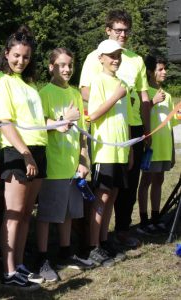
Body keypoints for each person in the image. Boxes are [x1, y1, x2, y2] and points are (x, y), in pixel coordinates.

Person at [79, 9, 150, 248]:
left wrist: (146, 131)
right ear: (108, 30)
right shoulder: (94, 57)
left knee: (125, 185)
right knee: (103, 190)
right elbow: (86, 91)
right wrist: (113, 97)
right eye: (117, 30)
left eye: (126, 30)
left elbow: (144, 97)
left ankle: (119, 231)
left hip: (131, 128)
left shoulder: (136, 59)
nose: (122, 34)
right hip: (105, 133)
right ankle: (94, 240)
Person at [0, 25, 46, 290]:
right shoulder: (1, 82)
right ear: (6, 53)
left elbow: (34, 120)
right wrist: (25, 154)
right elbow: (5, 123)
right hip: (17, 152)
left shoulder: (28, 83)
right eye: (16, 55)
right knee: (12, 214)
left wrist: (58, 123)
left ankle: (19, 265)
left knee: (25, 215)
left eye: (25, 56)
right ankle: (9, 272)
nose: (21, 61)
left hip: (37, 150)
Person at [36, 48, 94, 282]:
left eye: (70, 64)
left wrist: (83, 158)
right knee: (48, 214)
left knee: (69, 212)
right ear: (51, 67)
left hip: (72, 167)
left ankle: (65, 252)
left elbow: (81, 132)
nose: (67, 69)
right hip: (53, 165)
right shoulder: (44, 93)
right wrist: (62, 120)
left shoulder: (75, 93)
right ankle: (41, 259)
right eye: (61, 65)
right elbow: (39, 124)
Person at [86, 39, 132, 267]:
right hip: (105, 151)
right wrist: (115, 97)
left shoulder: (122, 82)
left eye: (118, 55)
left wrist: (130, 149)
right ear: (100, 58)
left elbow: (124, 120)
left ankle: (104, 241)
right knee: (101, 199)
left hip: (120, 151)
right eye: (111, 55)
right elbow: (92, 115)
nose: (116, 59)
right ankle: (93, 245)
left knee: (112, 196)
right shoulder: (98, 81)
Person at [137, 55, 175, 235]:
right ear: (151, 72)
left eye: (164, 68)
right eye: (160, 69)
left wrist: (173, 151)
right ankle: (143, 220)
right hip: (150, 147)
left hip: (164, 147)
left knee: (159, 180)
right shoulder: (144, 93)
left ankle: (155, 217)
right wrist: (152, 102)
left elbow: (170, 124)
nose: (164, 72)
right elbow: (139, 113)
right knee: (146, 181)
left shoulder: (167, 95)